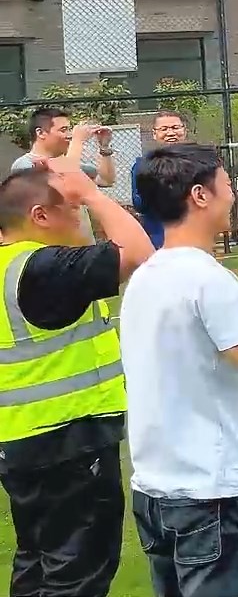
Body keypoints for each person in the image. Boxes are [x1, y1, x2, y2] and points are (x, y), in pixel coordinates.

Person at [122, 144, 238, 597]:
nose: (233, 194)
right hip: (209, 492)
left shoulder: (144, 276)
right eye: (226, 183)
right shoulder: (207, 279)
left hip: (155, 487)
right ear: (200, 195)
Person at [0, 158, 153, 597]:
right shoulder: (40, 269)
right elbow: (137, 252)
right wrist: (92, 192)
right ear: (40, 216)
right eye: (71, 208)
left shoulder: (11, 267)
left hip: (20, 439)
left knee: (36, 561)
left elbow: (89, 246)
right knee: (76, 573)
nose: (80, 216)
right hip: (67, 439)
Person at [9, 107, 116, 189]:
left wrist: (104, 147)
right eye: (63, 130)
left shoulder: (72, 165)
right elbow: (66, 180)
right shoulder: (24, 165)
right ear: (40, 133)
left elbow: (106, 180)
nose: (69, 135)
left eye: (69, 130)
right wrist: (77, 140)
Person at [130, 108, 190, 248]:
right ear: (154, 134)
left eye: (175, 127)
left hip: (195, 236)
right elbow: (139, 205)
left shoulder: (199, 162)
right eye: (164, 129)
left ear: (184, 130)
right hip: (159, 239)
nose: (170, 133)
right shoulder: (143, 166)